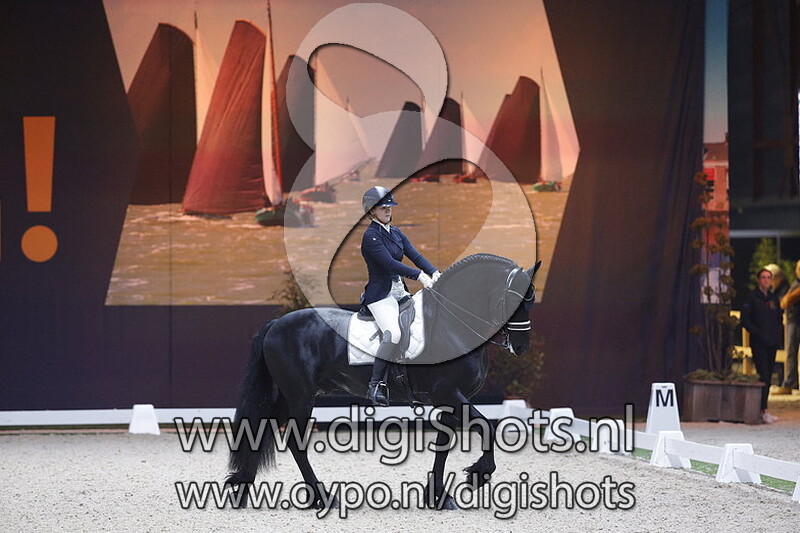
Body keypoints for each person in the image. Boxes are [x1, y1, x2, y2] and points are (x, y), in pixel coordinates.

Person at [360, 186, 440, 406]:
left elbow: (416, 255)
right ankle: (375, 385)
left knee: (422, 325)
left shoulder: (396, 233)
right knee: (393, 333)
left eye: (389, 206)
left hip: (400, 292)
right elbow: (389, 264)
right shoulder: (371, 236)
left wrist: (434, 272)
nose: (387, 210)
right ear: (371, 211)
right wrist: (419, 276)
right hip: (380, 295)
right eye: (382, 207)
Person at [741, 267, 784, 423]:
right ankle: (759, 409)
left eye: (769, 277)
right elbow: (745, 320)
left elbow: (779, 319)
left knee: (769, 375)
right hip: (759, 342)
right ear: (759, 280)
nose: (766, 280)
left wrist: (777, 336)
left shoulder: (773, 298)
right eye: (764, 277)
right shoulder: (752, 297)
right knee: (763, 374)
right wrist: (757, 333)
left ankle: (764, 409)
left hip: (771, 343)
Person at [776, 260, 800, 394]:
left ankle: (790, 382)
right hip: (793, 321)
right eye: (798, 269)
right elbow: (783, 303)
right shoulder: (795, 284)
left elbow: (787, 301)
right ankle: (791, 382)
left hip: (796, 322)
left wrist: (788, 298)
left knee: (791, 352)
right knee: (791, 352)